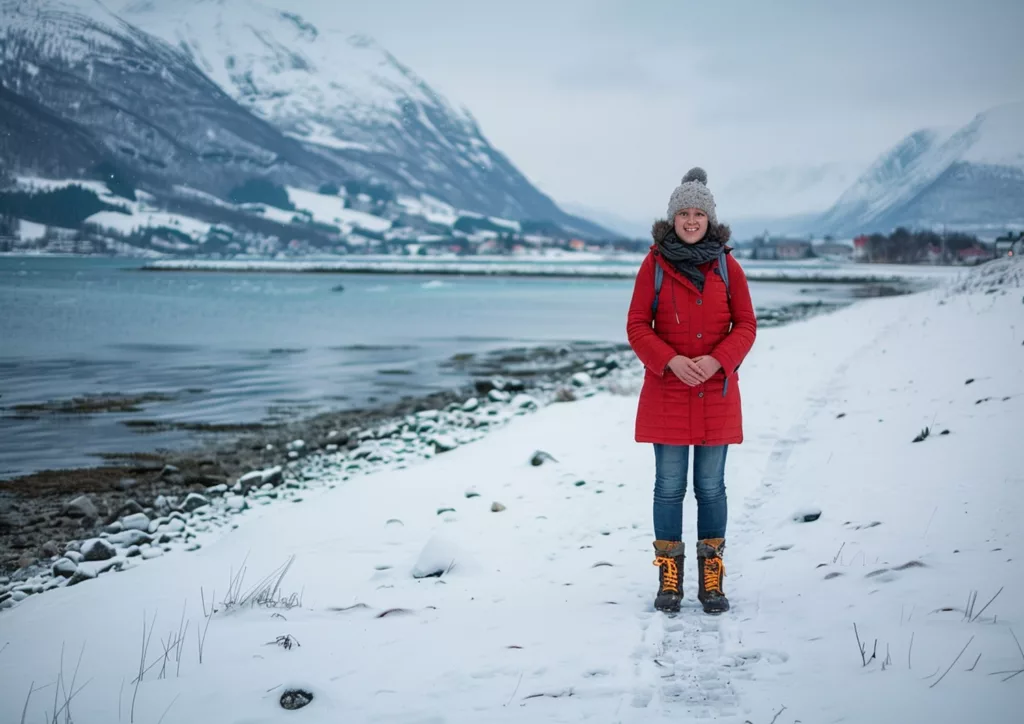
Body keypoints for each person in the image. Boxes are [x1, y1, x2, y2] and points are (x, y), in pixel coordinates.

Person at [626, 167, 757, 615]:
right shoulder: (654, 265)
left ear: (710, 218)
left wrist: (719, 359)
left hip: (716, 392)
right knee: (668, 487)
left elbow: (746, 325)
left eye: (699, 213)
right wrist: (671, 360)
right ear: (673, 218)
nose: (692, 220)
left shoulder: (726, 264)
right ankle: (669, 579)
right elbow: (637, 326)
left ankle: (712, 580)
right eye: (684, 212)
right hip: (668, 391)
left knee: (711, 487)